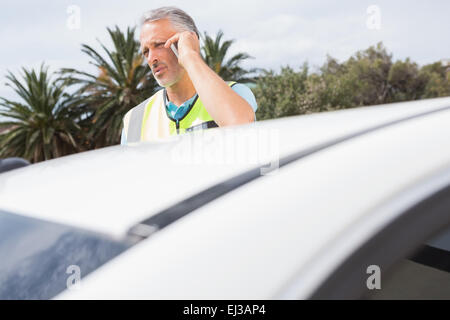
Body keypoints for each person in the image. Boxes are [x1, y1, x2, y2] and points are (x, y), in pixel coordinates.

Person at [121, 6, 258, 145]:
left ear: (190, 40)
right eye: (146, 51)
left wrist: (190, 55)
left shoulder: (235, 93)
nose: (151, 58)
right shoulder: (133, 121)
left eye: (159, 45)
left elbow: (240, 126)